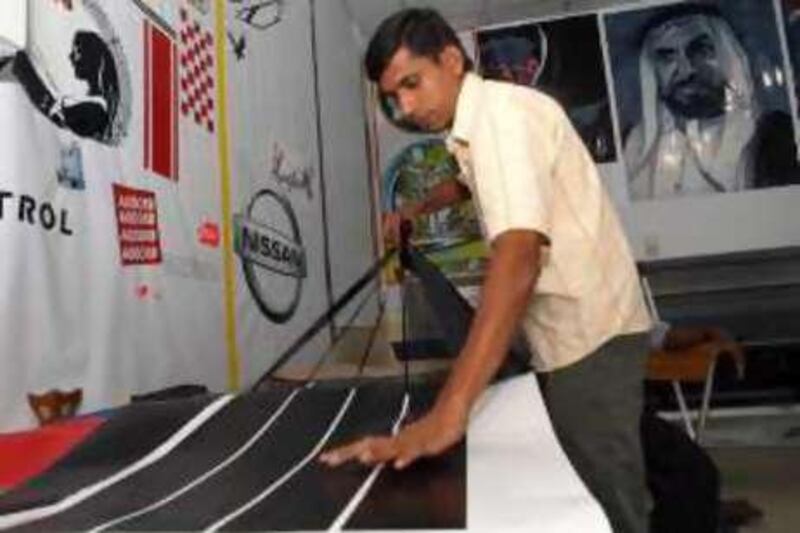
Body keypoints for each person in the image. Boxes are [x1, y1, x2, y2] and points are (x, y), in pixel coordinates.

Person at [318, 9, 653, 533]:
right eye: (393, 96)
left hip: (590, 335)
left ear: (452, 60)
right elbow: (464, 182)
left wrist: (449, 413)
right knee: (577, 483)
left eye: (411, 84)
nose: (404, 107)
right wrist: (412, 211)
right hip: (572, 334)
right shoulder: (479, 126)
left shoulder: (501, 119)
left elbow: (518, 257)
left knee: (604, 495)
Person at [624, 4, 800, 201]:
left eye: (701, 49)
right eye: (667, 56)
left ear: (727, 53)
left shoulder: (778, 138)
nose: (686, 69)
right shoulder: (633, 149)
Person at [12, 30, 120, 144]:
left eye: (77, 51)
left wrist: (21, 68)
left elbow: (52, 109)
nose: (71, 57)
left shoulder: (97, 109)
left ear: (92, 56)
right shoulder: (99, 99)